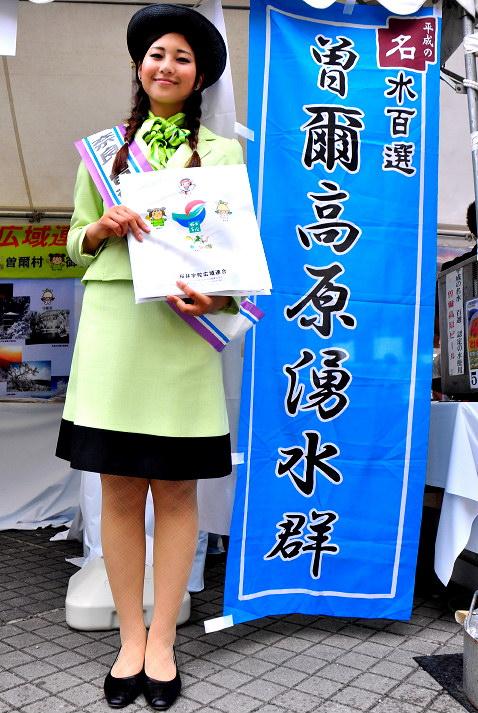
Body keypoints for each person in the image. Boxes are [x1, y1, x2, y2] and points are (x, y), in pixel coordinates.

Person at [56, 5, 243, 709]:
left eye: (182, 58)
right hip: (116, 329)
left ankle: (163, 641)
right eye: (157, 53)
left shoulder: (222, 154)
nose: (167, 65)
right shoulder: (102, 149)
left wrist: (215, 300)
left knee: (177, 489)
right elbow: (74, 242)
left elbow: (234, 258)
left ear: (199, 77)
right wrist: (98, 228)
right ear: (140, 65)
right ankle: (129, 639)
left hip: (179, 335)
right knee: (118, 488)